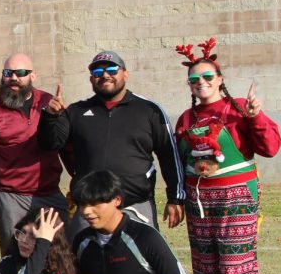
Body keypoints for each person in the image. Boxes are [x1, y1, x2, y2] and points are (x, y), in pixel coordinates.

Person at [173, 41, 281, 274]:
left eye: (207, 76)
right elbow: (179, 163)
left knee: (235, 271)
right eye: (194, 79)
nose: (201, 82)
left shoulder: (238, 110)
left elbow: (271, 147)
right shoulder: (185, 119)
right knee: (207, 272)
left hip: (236, 197)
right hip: (199, 201)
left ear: (219, 78)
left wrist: (256, 116)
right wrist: (177, 199)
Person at [38, 50, 184, 232]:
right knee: (84, 259)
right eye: (98, 73)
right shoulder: (76, 111)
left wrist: (175, 198)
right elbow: (50, 143)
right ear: (91, 79)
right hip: (89, 208)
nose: (105, 75)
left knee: (139, 260)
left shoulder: (149, 110)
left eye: (112, 70)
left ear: (125, 74)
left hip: (135, 205)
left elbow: (169, 155)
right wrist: (50, 117)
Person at [0, 53, 68, 253]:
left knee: (62, 252)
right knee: (16, 254)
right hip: (12, 196)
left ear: (33, 76)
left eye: (21, 73)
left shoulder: (48, 101)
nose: (14, 78)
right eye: (8, 73)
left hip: (49, 192)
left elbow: (64, 143)